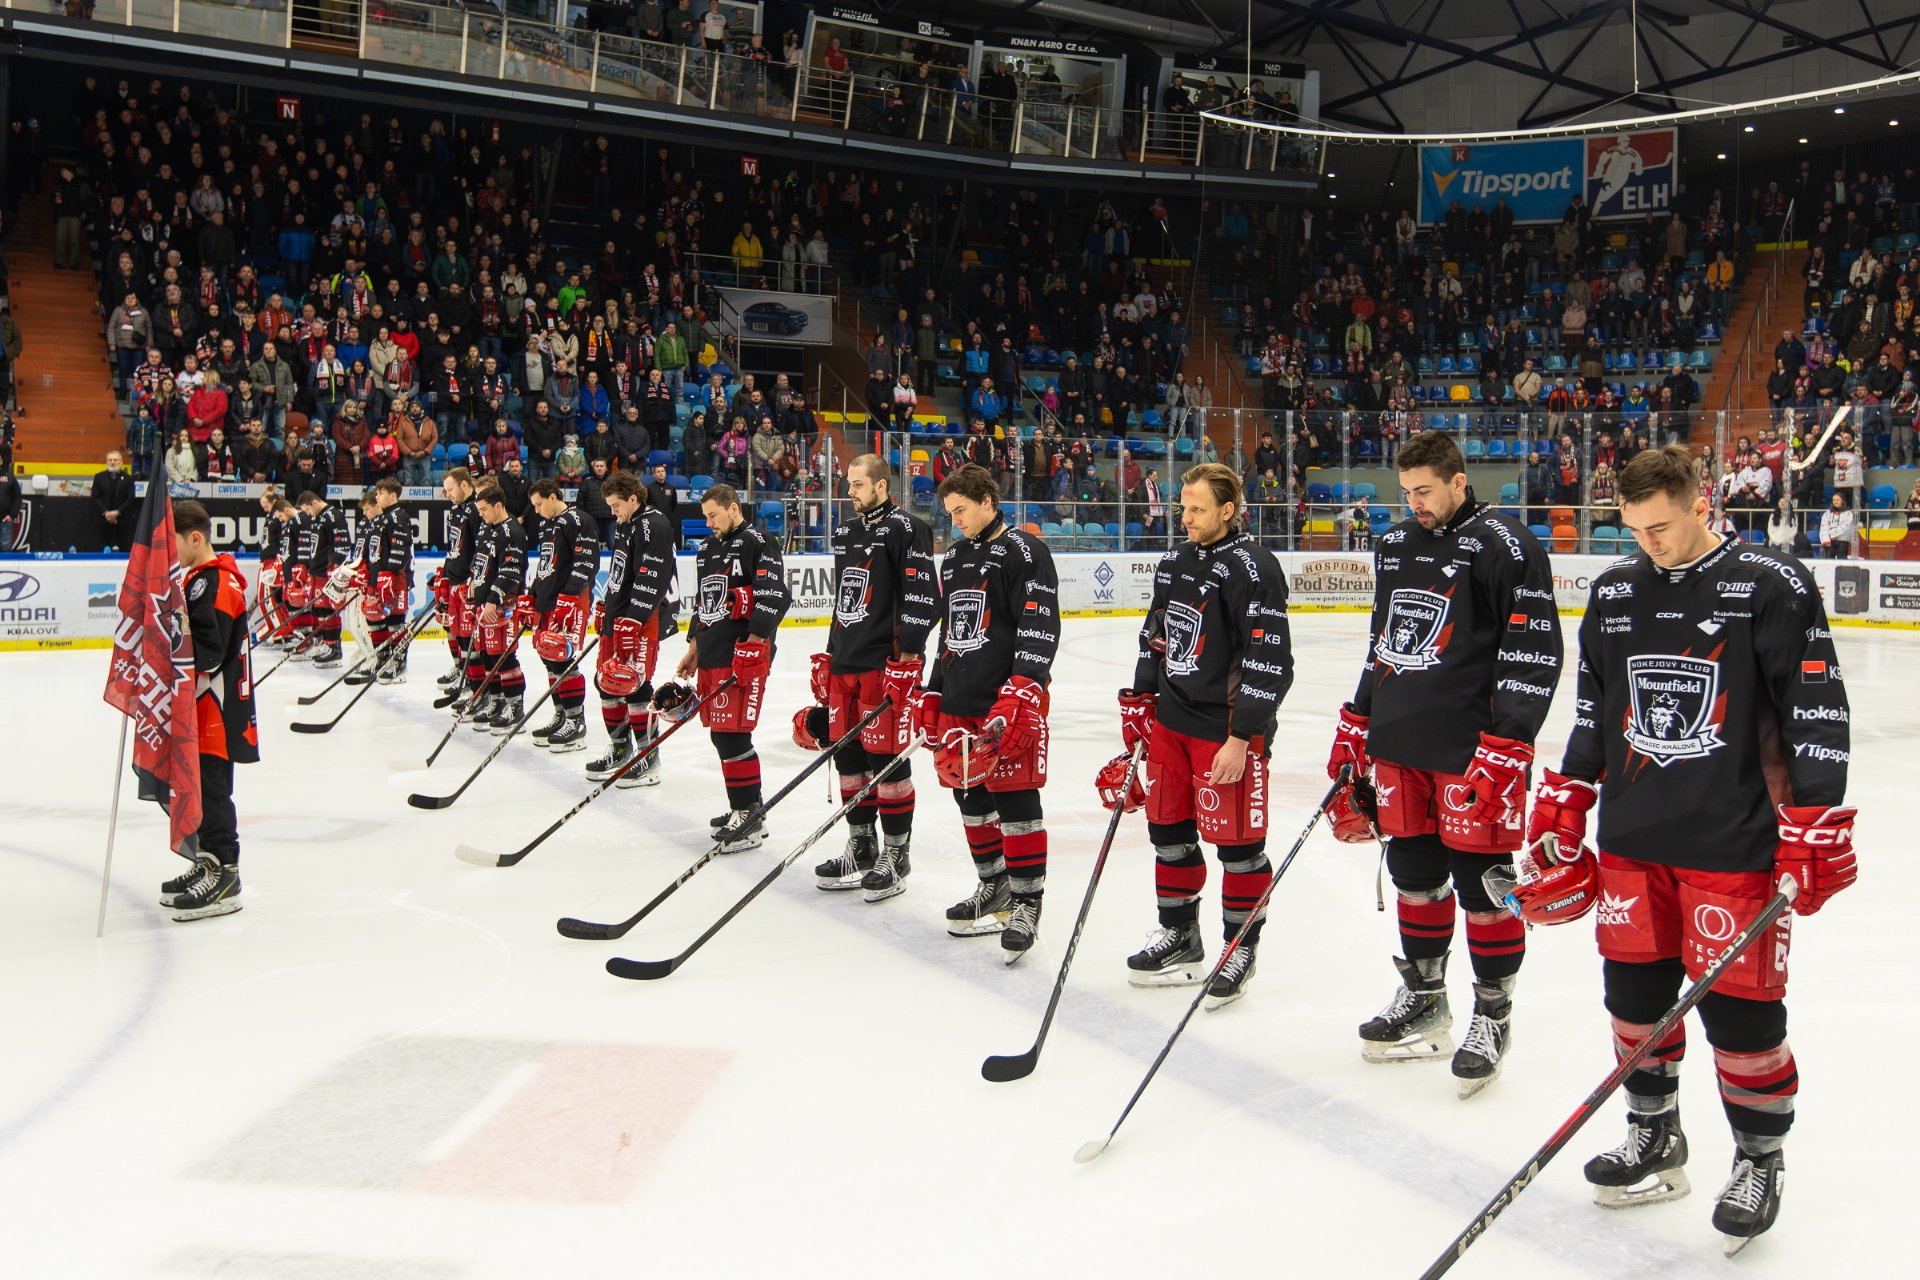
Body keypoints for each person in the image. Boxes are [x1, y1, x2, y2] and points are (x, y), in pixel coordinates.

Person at [1523, 443, 1854, 1251]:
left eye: (1661, 528)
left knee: (1742, 1018)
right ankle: (1654, 1133)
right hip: (1634, 839)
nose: (1649, 545)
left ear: (1701, 504)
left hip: (1733, 842)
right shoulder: (1615, 591)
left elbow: (1816, 706)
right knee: (1633, 1003)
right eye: (1634, 531)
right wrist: (1567, 798)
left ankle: (1759, 1158)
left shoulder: (1770, 584)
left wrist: (1813, 822)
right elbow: (1596, 706)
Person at [1326, 430, 1561, 1096]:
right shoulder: (1396, 544)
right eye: (1407, 493)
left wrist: (1511, 739)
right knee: (1414, 874)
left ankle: (1493, 1015)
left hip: (1472, 751)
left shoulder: (1507, 545)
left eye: (1425, 491)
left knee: (1484, 886)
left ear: (1460, 481)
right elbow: (1385, 638)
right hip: (1401, 742)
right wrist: (1359, 718)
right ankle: (1426, 996)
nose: (1415, 504)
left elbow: (1533, 652)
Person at [1116, 463, 1294, 1005]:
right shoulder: (1174, 562)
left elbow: (1270, 662)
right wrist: (1141, 704)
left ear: (1227, 510)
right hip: (1172, 723)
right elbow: (1156, 637)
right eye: (1184, 507)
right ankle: (1180, 935)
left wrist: (1243, 738)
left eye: (1198, 509)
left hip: (1225, 730)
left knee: (1239, 848)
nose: (1186, 517)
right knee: (1168, 834)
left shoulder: (1255, 567)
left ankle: (1239, 947)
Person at [911, 464, 1061, 959]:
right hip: (959, 700)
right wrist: (934, 691)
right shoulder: (955, 557)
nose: (954, 522)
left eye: (961, 511)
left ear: (987, 501)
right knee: (970, 797)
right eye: (949, 513)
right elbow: (950, 633)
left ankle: (1027, 902)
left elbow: (1039, 626)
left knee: (1016, 803)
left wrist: (1023, 689)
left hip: (1005, 702)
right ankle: (994, 885)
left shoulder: (1025, 551)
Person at [804, 453, 938, 900]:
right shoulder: (846, 533)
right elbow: (844, 600)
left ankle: (896, 854)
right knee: (848, 759)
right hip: (846, 662)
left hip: (884, 664)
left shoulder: (907, 528)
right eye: (849, 483)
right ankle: (861, 847)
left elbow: (923, 598)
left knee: (887, 760)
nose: (850, 491)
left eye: (858, 484)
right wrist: (830, 654)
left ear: (882, 486)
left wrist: (909, 660)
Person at [156, 500, 261, 922]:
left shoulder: (215, 582)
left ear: (195, 538)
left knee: (213, 791)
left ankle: (226, 874)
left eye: (175, 544)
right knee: (198, 788)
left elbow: (209, 653)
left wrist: (167, 643)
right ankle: (208, 862)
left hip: (215, 709)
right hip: (204, 707)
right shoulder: (202, 579)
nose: (171, 554)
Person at [673, 483, 791, 849]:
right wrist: (694, 647)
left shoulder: (760, 541)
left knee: (733, 734)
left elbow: (775, 596)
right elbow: (703, 603)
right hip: (713, 650)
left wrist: (755, 644)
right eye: (705, 516)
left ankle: (748, 818)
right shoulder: (707, 549)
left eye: (713, 515)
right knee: (720, 733)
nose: (708, 523)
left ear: (734, 508)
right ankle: (746, 807)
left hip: (742, 653)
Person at [584, 470, 678, 783]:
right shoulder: (628, 522)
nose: (612, 512)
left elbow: (654, 576)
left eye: (616, 505)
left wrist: (633, 619)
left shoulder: (654, 524)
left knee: (634, 685)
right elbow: (621, 573)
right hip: (619, 615)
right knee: (606, 682)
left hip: (641, 618)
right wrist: (608, 606)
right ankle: (620, 749)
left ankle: (648, 757)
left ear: (633, 498)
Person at [523, 478, 600, 754]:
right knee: (548, 657)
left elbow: (587, 562)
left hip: (569, 600)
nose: (536, 510)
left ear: (553, 496)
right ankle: (561, 715)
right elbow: (544, 565)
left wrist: (569, 595)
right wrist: (532, 595)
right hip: (548, 600)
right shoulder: (547, 524)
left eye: (539, 504)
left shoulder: (578, 520)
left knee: (562, 658)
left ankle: (575, 722)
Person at [465, 480, 530, 731]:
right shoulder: (487, 527)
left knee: (503, 655)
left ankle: (515, 707)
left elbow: (511, 571)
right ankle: (497, 701)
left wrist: (494, 599)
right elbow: (480, 559)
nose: (481, 514)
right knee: (486, 654)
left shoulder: (513, 531)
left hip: (503, 603)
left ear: (498, 505)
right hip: (484, 602)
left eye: (484, 509)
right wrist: (474, 580)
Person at [433, 468, 485, 704]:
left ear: (465, 485)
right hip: (455, 583)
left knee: (470, 639)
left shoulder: (475, 510)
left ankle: (476, 687)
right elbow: (454, 548)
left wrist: (475, 577)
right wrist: (445, 574)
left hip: (467, 584)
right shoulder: (456, 510)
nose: (448, 494)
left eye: (450, 489)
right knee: (459, 635)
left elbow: (482, 548)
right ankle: (466, 680)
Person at [359, 479, 414, 684]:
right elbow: (372, 551)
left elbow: (400, 549)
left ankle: (399, 663)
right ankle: (382, 659)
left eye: (380, 493)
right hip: (378, 577)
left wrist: (389, 574)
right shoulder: (381, 518)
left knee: (395, 621)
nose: (377, 497)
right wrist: (367, 572)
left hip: (395, 578)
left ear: (392, 495)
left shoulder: (399, 516)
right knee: (373, 618)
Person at [296, 489, 351, 667]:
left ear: (314, 502)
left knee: (329, 610)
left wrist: (335, 568)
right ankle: (325, 644)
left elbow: (343, 544)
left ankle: (334, 648)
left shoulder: (333, 515)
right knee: (319, 610)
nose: (307, 514)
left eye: (307, 510)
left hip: (326, 572)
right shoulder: (318, 518)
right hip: (316, 571)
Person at [92, 451, 137, 552]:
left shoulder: (129, 479)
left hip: (123, 521)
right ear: (106, 462)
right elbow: (95, 497)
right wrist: (106, 513)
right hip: (103, 521)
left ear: (121, 462)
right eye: (110, 460)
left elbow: (130, 498)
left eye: (115, 460)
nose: (112, 462)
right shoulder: (99, 477)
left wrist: (117, 512)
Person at [1819, 492, 1857, 558]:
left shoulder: (1848, 514)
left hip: (1843, 541)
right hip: (1829, 542)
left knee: (1841, 561)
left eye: (1837, 500)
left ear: (1842, 501)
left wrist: (1830, 534)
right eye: (1833, 500)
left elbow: (1846, 527)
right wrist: (1826, 538)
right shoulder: (1827, 513)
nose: (1835, 502)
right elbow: (1823, 526)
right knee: (1828, 561)